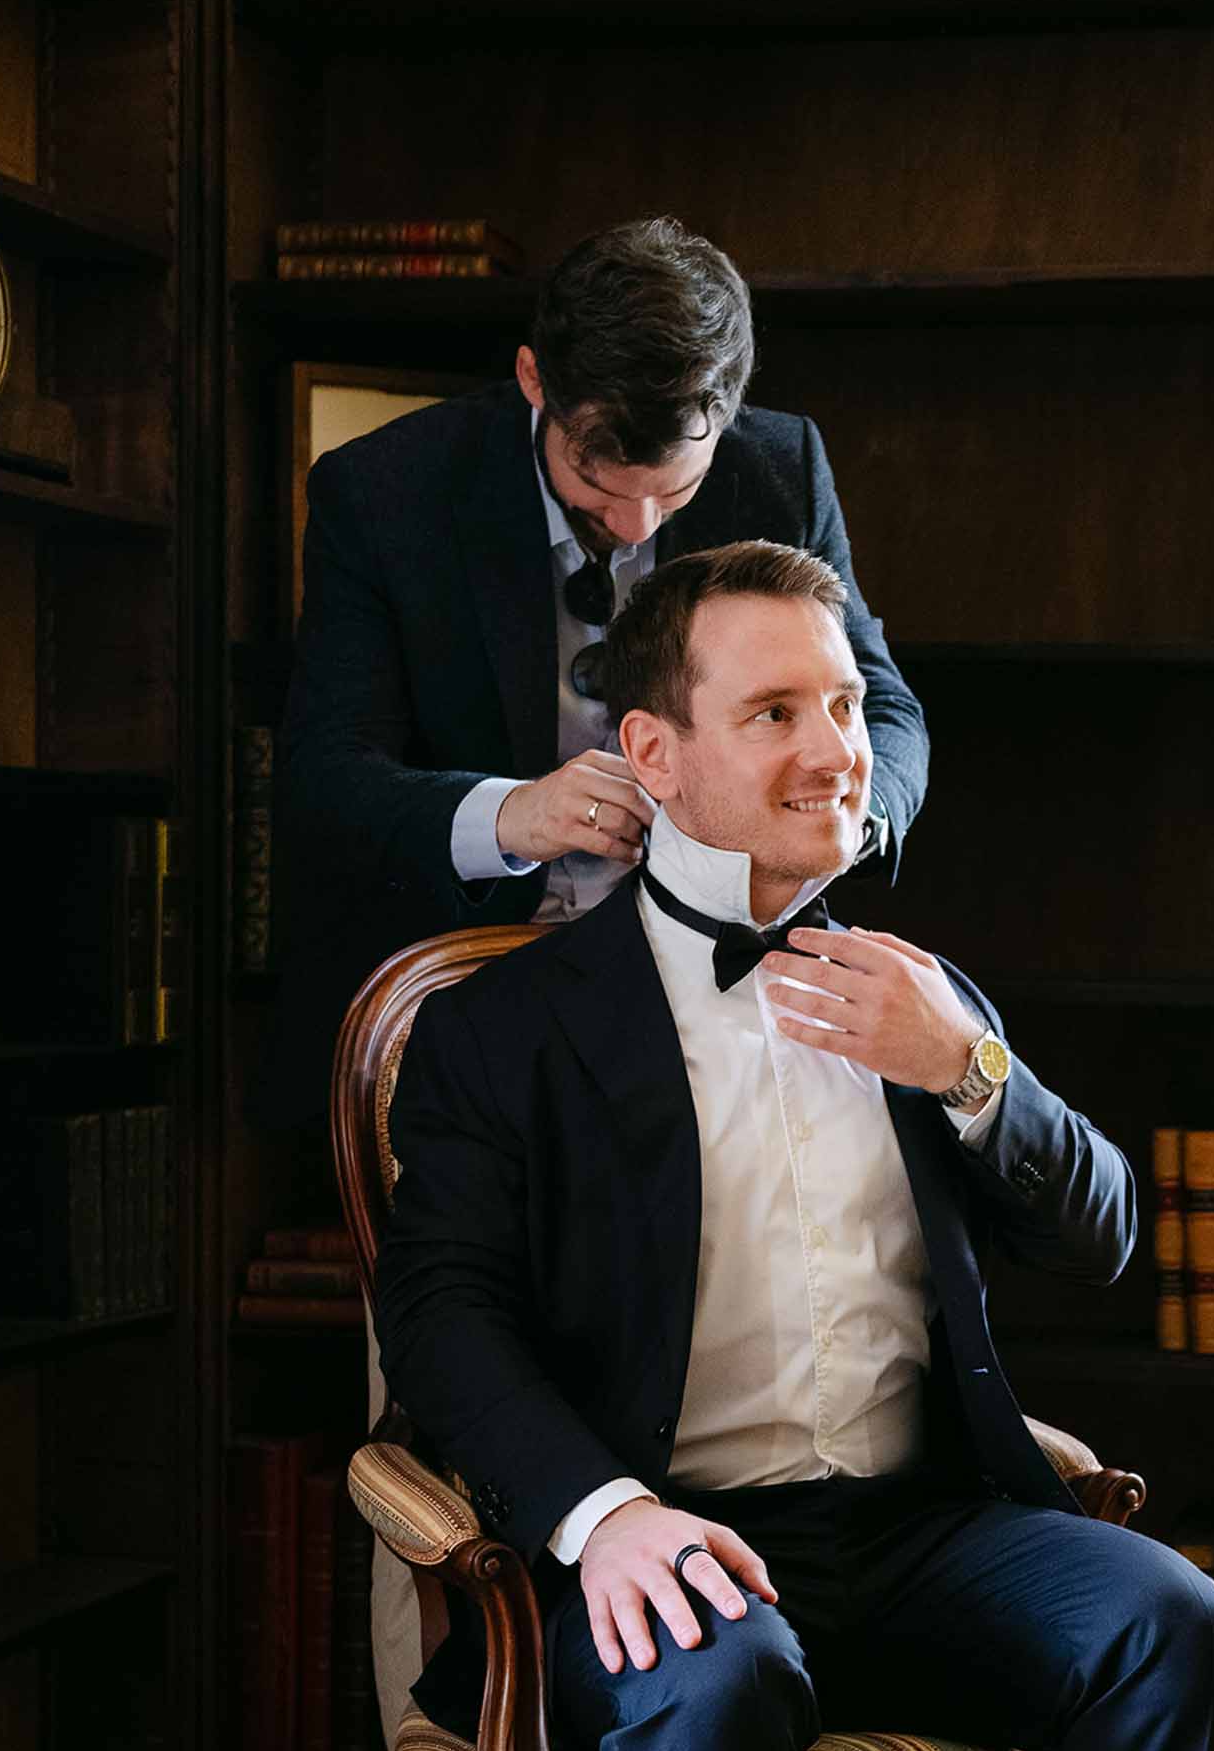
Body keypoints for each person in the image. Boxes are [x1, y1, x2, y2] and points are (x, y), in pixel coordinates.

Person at [375, 540, 1214, 1751]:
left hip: (919, 1539)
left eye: (841, 705)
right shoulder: (502, 1032)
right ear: (655, 757)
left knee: (1176, 1625)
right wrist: (604, 1523)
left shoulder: (922, 995)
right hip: (662, 1537)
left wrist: (965, 1068)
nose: (836, 749)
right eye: (775, 714)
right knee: (724, 1678)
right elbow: (442, 1321)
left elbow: (1103, 1235)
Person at [268, 216, 928, 1131]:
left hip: (730, 983)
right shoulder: (383, 493)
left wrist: (844, 816)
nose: (637, 527)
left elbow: (887, 711)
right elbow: (322, 781)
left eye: (677, 490)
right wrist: (510, 815)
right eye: (600, 483)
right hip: (468, 988)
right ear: (535, 379)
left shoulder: (780, 472)